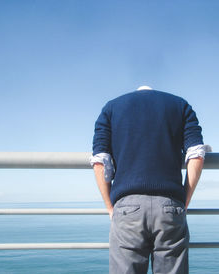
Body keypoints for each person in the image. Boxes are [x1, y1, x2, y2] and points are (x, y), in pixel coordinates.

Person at [90, 86, 209, 274]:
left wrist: (110, 207)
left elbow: (100, 161)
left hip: (127, 208)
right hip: (171, 206)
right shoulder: (181, 106)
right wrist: (184, 200)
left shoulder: (111, 108)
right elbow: (196, 155)